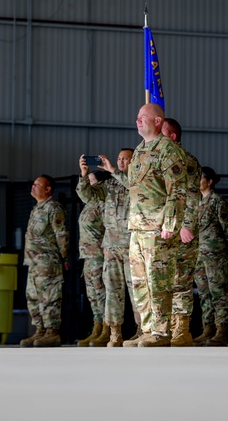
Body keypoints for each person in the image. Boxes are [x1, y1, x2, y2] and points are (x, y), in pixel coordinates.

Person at [127, 103, 188, 347]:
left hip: (158, 227)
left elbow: (177, 190)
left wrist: (170, 224)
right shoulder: (140, 149)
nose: (137, 121)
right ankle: (147, 329)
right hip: (138, 226)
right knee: (140, 282)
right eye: (137, 117)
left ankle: (162, 332)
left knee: (158, 280)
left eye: (143, 117)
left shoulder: (168, 150)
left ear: (157, 121)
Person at [162, 118, 202, 347]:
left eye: (163, 132)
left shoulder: (186, 161)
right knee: (162, 281)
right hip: (163, 230)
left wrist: (187, 224)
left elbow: (193, 195)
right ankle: (163, 327)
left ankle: (182, 328)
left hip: (180, 230)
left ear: (173, 136)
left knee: (181, 281)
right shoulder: (159, 159)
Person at [17, 175, 68, 347]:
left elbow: (61, 235)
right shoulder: (37, 209)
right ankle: (40, 331)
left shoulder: (53, 208)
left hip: (48, 262)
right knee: (33, 297)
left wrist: (64, 257)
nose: (33, 187)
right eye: (32, 184)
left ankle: (52, 332)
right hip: (33, 263)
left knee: (49, 297)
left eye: (37, 185)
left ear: (47, 189)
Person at [97, 148, 140, 347]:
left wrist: (114, 170)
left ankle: (142, 329)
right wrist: (83, 176)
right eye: (119, 158)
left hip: (132, 245)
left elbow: (132, 186)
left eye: (126, 159)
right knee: (113, 290)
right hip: (112, 245)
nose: (121, 162)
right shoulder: (110, 184)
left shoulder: (138, 180)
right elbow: (89, 197)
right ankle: (115, 332)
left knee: (136, 289)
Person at [193, 167, 228, 346]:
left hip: (216, 254)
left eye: (200, 178)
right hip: (199, 255)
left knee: (219, 293)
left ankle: (221, 329)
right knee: (204, 294)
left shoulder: (217, 201)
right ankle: (207, 328)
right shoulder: (196, 202)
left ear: (209, 181)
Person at [75, 160, 108, 346]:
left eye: (92, 181)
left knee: (101, 291)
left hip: (99, 253)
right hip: (88, 254)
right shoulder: (91, 204)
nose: (89, 184)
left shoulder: (102, 202)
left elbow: (109, 226)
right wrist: (84, 174)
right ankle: (96, 327)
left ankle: (106, 329)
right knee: (92, 293)